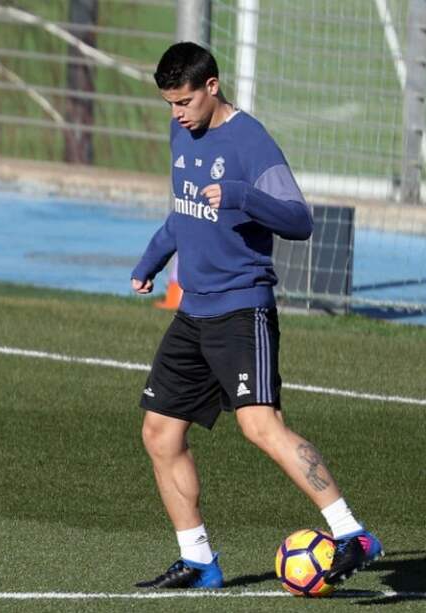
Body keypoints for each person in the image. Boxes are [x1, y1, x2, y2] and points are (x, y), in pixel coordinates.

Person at [130, 42, 382, 589]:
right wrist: (153, 258)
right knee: (159, 432)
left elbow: (298, 220)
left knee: (260, 426)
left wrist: (243, 195)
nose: (176, 113)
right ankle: (199, 560)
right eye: (169, 103)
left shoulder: (251, 142)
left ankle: (352, 532)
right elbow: (185, 212)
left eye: (185, 100)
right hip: (192, 312)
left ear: (212, 86)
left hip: (243, 310)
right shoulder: (182, 132)